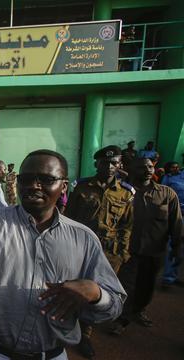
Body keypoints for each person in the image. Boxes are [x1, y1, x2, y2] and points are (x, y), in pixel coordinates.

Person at [0, 149, 125, 360]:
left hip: (52, 354)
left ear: (64, 186)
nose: (33, 185)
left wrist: (96, 293)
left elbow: (114, 305)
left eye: (46, 179)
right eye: (26, 179)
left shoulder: (84, 239)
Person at [64, 145, 134, 358]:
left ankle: (85, 334)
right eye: (105, 162)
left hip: (109, 252)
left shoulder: (126, 192)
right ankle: (68, 325)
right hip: (81, 248)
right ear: (97, 164)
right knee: (75, 285)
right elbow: (69, 218)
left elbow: (126, 226)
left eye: (115, 163)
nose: (110, 166)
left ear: (120, 164)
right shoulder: (82, 187)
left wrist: (123, 253)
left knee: (96, 291)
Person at [111, 158, 182, 334]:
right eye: (142, 167)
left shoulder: (166, 194)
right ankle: (122, 319)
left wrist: (178, 247)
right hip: (128, 251)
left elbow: (176, 223)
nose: (148, 170)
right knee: (127, 285)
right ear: (132, 170)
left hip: (154, 251)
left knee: (147, 286)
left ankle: (139, 310)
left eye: (150, 167)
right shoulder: (122, 192)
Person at [161, 161, 184, 286]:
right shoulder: (168, 178)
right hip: (177, 213)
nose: (175, 169)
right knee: (174, 244)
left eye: (177, 166)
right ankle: (168, 277)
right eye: (172, 167)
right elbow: (164, 195)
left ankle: (174, 275)